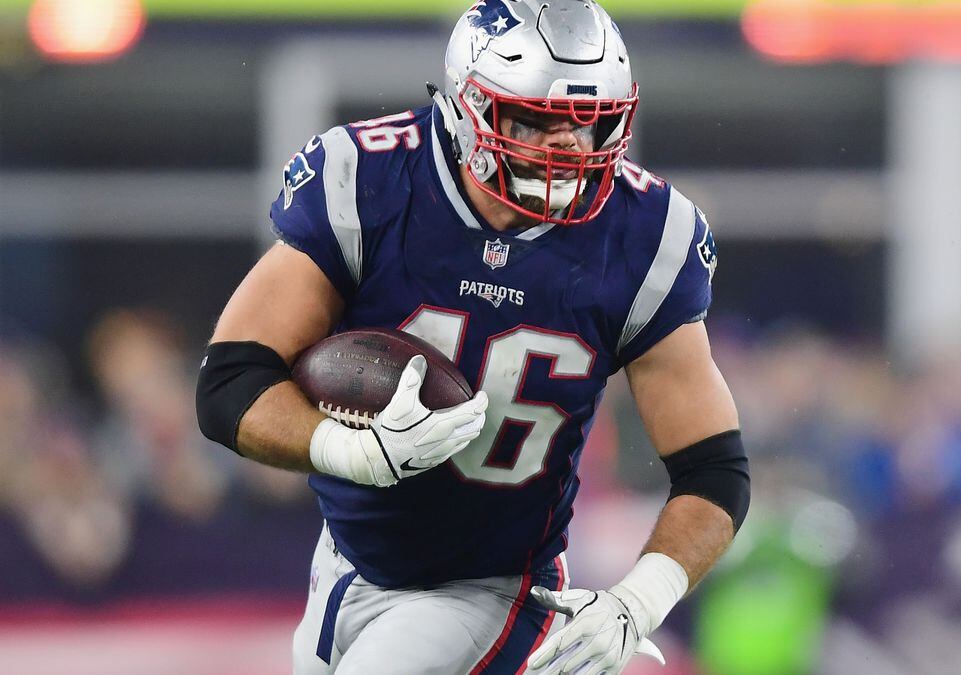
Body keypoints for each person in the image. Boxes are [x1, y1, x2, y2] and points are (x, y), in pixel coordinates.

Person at [196, 1, 750, 673]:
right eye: (535, 119)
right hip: (344, 558)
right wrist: (352, 451)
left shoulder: (646, 235)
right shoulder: (369, 180)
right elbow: (232, 380)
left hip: (493, 588)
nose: (567, 149)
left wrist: (640, 599)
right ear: (468, 108)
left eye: (588, 122)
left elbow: (713, 468)